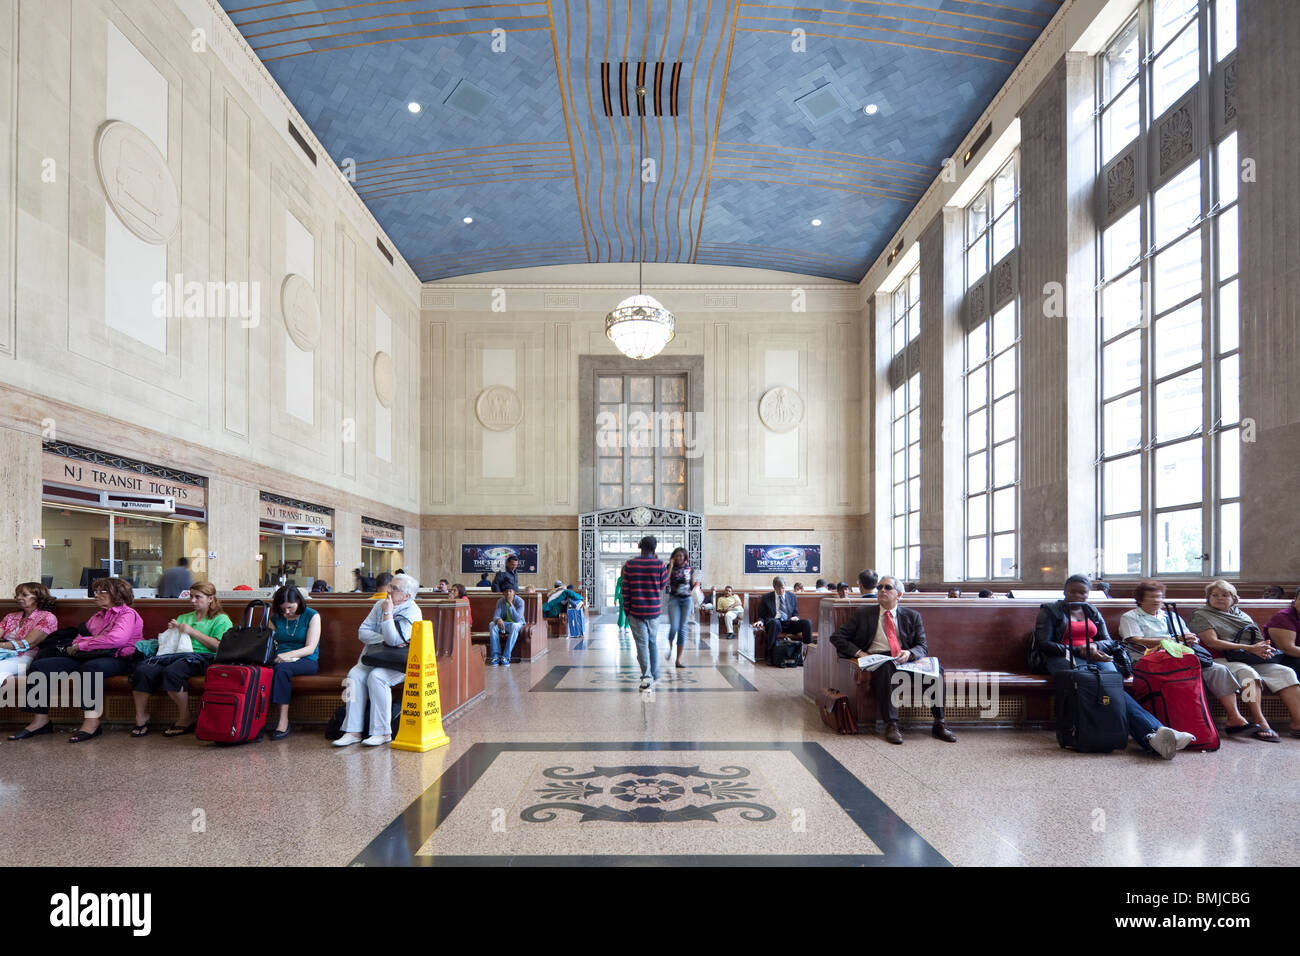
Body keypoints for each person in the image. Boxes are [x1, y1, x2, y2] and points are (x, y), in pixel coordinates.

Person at [1032, 574, 1194, 758]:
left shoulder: (1091, 611)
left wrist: (1094, 647)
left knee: (1113, 685)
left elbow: (1107, 641)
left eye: (1082, 592)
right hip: (1062, 656)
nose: (1078, 596)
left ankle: (1155, 736)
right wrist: (1080, 650)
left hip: (1094, 654)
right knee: (1098, 685)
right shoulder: (1050, 610)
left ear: (1088, 594)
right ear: (1064, 591)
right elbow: (1044, 644)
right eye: (1073, 592)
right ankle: (1154, 733)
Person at [12, 578, 143, 743]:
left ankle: (92, 720)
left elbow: (116, 640)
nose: (96, 595)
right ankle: (40, 720)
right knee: (40, 667)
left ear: (117, 595)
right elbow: (81, 636)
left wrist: (82, 645)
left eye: (102, 591)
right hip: (88, 655)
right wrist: (78, 644)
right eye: (96, 591)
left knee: (91, 669)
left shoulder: (128, 614)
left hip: (116, 657)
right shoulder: (97, 616)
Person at [829, 574, 956, 744]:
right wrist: (860, 653)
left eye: (887, 587)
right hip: (878, 659)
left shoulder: (912, 616)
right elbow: (837, 637)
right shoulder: (864, 613)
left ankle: (939, 723)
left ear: (899, 594)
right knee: (886, 667)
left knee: (936, 671)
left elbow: (922, 646)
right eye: (879, 587)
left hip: (905, 660)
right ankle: (892, 724)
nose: (882, 590)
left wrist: (909, 654)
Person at [1117, 579, 1254, 735]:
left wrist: (1192, 639)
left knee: (1218, 670)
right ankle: (1183, 722)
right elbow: (1135, 641)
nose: (1157, 600)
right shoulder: (1131, 617)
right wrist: (1169, 641)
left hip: (1180, 657)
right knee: (1182, 675)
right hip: (1148, 660)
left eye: (1160, 597)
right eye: (1152, 597)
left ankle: (1234, 717)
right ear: (1141, 599)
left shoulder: (1170, 615)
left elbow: (1186, 635)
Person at [1190, 579, 1300, 742]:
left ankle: (1297, 723)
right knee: (1247, 673)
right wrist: (1249, 649)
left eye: (1225, 595)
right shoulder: (1201, 615)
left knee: (1285, 672)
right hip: (1220, 659)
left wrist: (1263, 648)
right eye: (1214, 595)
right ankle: (1259, 720)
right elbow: (1212, 642)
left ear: (1234, 599)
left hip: (1249, 656)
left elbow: (1255, 638)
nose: (1219, 598)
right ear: (1208, 598)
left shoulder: (1240, 614)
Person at [129, 582, 233, 738]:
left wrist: (192, 632)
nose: (192, 601)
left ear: (211, 598)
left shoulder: (221, 619)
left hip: (204, 657)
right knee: (143, 670)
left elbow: (219, 647)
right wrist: (174, 628)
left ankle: (185, 717)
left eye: (198, 597)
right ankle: (140, 717)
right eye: (191, 596)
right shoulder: (184, 617)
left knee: (172, 672)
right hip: (176, 654)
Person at [334, 572, 422, 747]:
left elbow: (394, 640)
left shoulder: (413, 611)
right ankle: (352, 731)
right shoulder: (379, 605)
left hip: (401, 664)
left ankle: (382, 732)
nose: (388, 590)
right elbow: (362, 632)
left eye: (394, 588)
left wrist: (388, 614)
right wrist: (382, 638)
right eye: (389, 586)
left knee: (377, 677)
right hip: (376, 658)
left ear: (407, 596)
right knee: (354, 675)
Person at [265, 585, 320, 740]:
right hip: (279, 658)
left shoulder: (312, 615)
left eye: (290, 607)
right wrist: (277, 656)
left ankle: (283, 721)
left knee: (281, 670)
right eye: (283, 608)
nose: (286, 612)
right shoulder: (275, 617)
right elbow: (270, 643)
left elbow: (310, 648)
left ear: (299, 602)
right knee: (260, 671)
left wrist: (287, 655)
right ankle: (255, 718)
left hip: (306, 660)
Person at [621, 536, 668, 689]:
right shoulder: (660, 564)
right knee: (652, 642)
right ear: (655, 548)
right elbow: (662, 586)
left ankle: (646, 677)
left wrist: (627, 611)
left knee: (641, 645)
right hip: (654, 611)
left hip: (636, 610)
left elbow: (625, 591)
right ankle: (655, 673)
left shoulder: (629, 565)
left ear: (639, 546)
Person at [0, 583, 59, 684]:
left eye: (24, 595)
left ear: (38, 598)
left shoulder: (47, 617)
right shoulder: (10, 617)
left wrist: (2, 645)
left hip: (26, 656)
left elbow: (27, 644)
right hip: (3, 653)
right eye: (17, 594)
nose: (18, 597)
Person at [759, 577, 812, 660]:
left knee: (807, 623)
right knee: (775, 623)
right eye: (778, 588)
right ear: (774, 587)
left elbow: (795, 613)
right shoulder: (766, 597)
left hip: (789, 623)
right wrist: (760, 621)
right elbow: (762, 615)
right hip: (775, 624)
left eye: (783, 588)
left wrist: (795, 617)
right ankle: (771, 655)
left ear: (785, 586)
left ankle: (807, 652)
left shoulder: (792, 596)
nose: (781, 591)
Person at [663, 548, 694, 668]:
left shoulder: (690, 569)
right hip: (674, 599)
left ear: (685, 557)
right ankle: (670, 648)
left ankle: (678, 660)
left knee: (682, 629)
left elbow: (691, 585)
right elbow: (666, 580)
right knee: (674, 627)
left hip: (687, 600)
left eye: (681, 556)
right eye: (676, 556)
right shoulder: (669, 567)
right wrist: (670, 565)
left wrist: (696, 586)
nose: (679, 558)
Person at [489, 585, 526, 666]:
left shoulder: (520, 601)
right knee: (492, 624)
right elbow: (496, 616)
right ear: (503, 593)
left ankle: (506, 657)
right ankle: (496, 656)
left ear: (514, 592)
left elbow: (517, 619)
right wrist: (498, 619)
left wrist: (510, 604)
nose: (508, 593)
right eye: (506, 591)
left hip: (517, 624)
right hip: (505, 624)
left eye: (510, 591)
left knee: (515, 626)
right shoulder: (500, 601)